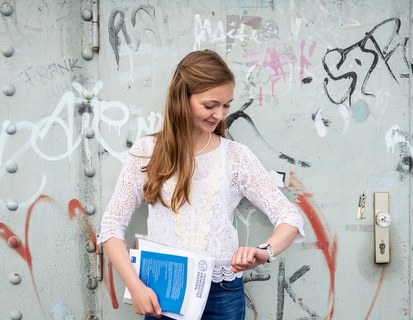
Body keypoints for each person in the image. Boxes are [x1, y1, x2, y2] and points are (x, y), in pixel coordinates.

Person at [98, 49, 305, 320]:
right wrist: (135, 287)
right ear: (182, 98)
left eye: (227, 105)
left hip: (223, 295)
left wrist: (264, 251)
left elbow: (289, 216)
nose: (219, 114)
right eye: (210, 105)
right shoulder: (148, 151)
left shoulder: (235, 156)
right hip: (163, 293)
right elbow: (111, 226)